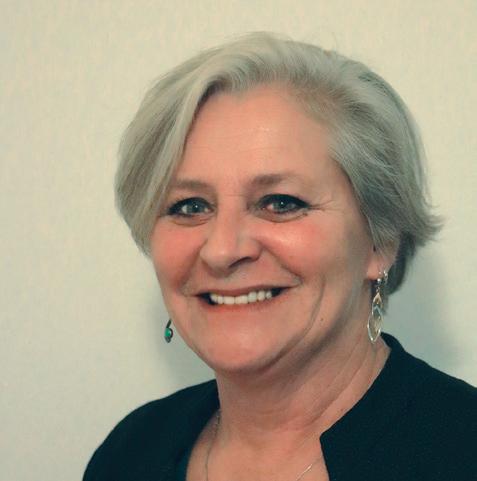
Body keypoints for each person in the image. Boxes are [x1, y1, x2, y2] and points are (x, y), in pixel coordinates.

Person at [83, 33, 476, 481]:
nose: (223, 250)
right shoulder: (131, 452)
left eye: (280, 203)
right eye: (190, 206)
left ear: (379, 240)